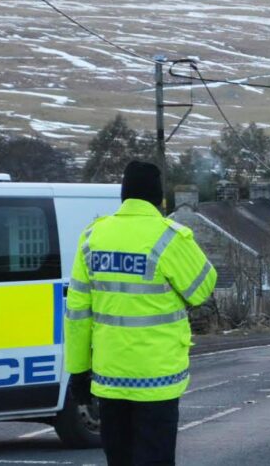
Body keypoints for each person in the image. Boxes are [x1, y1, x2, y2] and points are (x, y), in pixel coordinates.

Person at [65, 161, 217, 466]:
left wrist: (78, 372)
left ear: (124, 195)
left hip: (110, 376)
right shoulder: (170, 237)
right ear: (158, 198)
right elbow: (202, 289)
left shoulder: (93, 237)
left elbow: (78, 313)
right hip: (157, 378)